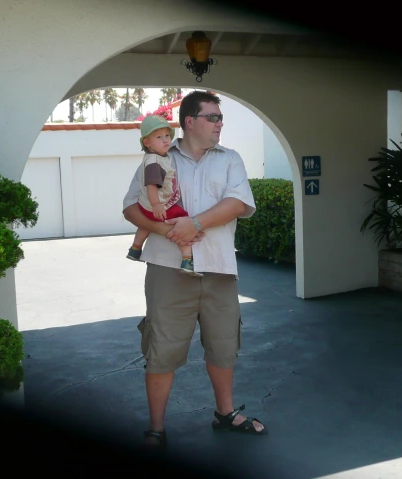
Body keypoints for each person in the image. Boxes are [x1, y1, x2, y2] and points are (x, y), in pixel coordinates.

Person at [121, 90, 267, 448]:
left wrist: (195, 223)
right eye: (213, 117)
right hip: (168, 269)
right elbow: (130, 208)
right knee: (162, 349)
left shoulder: (230, 159)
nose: (220, 124)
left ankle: (226, 414)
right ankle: (156, 427)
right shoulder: (158, 156)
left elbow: (237, 203)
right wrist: (167, 229)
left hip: (218, 269)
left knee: (222, 345)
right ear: (190, 121)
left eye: (220, 118)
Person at [126, 115, 202, 277]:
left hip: (145, 206)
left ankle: (135, 249)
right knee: (184, 223)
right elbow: (151, 185)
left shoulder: (156, 157)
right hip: (160, 205)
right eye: (159, 137)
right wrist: (157, 205)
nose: (166, 140)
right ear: (147, 143)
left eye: (167, 136)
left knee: (146, 224)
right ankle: (187, 259)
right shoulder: (154, 162)